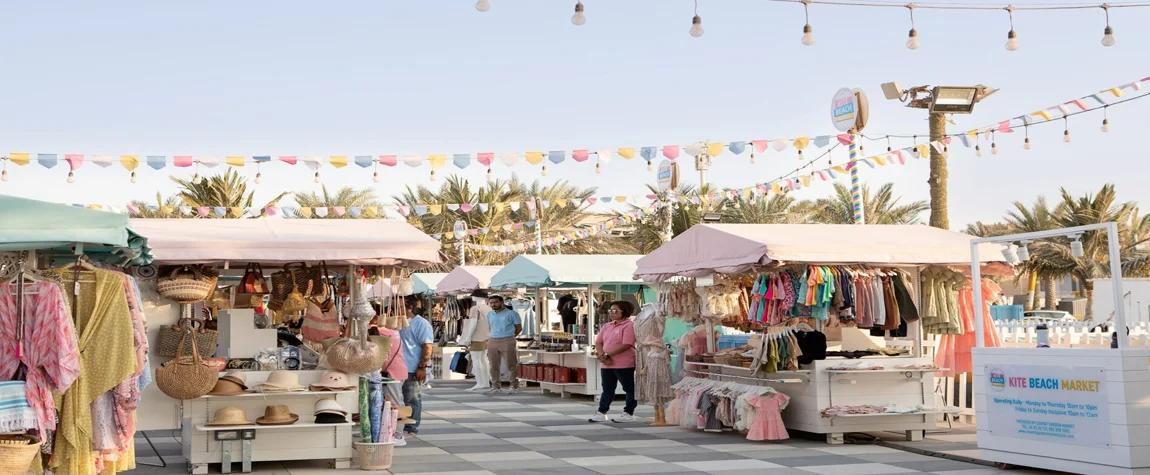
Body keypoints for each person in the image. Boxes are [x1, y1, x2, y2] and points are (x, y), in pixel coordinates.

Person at [589, 301, 638, 423]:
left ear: (624, 312)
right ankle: (602, 411)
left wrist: (608, 354)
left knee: (629, 388)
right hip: (607, 364)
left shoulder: (629, 325)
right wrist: (601, 354)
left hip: (624, 363)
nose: (611, 313)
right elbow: (599, 341)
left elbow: (627, 344)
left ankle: (629, 412)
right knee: (607, 388)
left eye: (615, 311)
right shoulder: (607, 326)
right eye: (610, 310)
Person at [399, 299, 434, 435]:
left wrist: (422, 367)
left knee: (412, 398)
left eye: (400, 307)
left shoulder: (421, 324)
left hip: (412, 367)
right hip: (399, 366)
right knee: (402, 398)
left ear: (410, 307)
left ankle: (411, 426)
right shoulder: (399, 323)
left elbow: (427, 346)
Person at [486, 295, 522, 393]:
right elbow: (490, 327)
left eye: (496, 302)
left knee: (511, 364)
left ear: (502, 302)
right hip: (493, 340)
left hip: (507, 339)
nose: (493, 305)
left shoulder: (512, 314)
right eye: (491, 303)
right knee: (493, 365)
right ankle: (495, 386)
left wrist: (511, 336)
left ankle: (514, 386)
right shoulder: (489, 314)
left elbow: (519, 327)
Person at [460, 290, 492, 391]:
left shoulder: (475, 308)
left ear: (477, 297)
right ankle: (485, 382)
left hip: (476, 336)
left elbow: (473, 323)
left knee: (476, 359)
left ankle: (480, 383)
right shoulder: (489, 308)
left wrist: (468, 337)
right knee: (484, 359)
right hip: (487, 336)